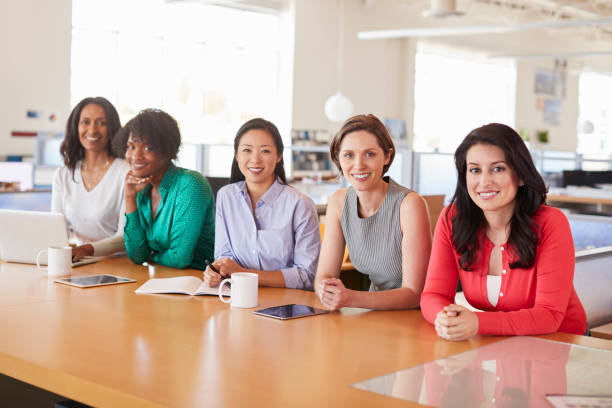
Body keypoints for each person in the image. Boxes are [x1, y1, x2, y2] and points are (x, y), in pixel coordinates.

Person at [421, 123, 587, 341]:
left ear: (520, 175)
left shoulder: (550, 223)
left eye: (498, 168)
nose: (484, 181)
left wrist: (478, 323)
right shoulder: (453, 219)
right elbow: (434, 295)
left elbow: (549, 315)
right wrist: (444, 318)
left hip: (563, 344)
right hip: (501, 343)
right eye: (475, 170)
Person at [314, 114, 431, 310]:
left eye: (370, 154)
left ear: (387, 156)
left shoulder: (409, 205)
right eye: (349, 155)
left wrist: (349, 298)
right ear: (338, 158)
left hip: (417, 316)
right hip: (373, 314)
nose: (358, 165)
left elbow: (413, 294)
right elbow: (324, 276)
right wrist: (326, 290)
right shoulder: (339, 202)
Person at [203, 118, 320, 289]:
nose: (255, 160)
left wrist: (241, 273)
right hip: (236, 298)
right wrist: (216, 271)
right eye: (246, 150)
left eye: (265, 151)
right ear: (237, 155)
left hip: (285, 305)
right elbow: (224, 256)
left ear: (279, 156)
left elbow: (307, 275)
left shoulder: (300, 204)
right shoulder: (226, 197)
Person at [113, 109, 214, 269]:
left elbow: (180, 258)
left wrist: (152, 257)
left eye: (148, 148)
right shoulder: (142, 189)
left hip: (200, 282)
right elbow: (138, 256)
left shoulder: (190, 184)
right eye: (131, 146)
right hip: (165, 281)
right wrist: (130, 197)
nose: (136, 156)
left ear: (167, 150)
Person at [52, 96, 130, 260]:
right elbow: (56, 230)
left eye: (101, 123)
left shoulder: (125, 172)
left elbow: (126, 237)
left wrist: (87, 249)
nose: (92, 130)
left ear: (112, 128)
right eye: (85, 122)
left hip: (119, 266)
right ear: (76, 127)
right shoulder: (63, 174)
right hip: (80, 264)